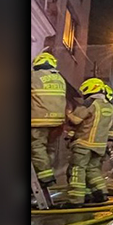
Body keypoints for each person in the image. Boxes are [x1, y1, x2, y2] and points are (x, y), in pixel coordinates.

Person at [63, 78, 113, 207]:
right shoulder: (110, 107)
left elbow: (76, 120)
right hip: (99, 146)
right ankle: (101, 193)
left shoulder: (90, 103)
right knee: (92, 170)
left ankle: (75, 200)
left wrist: (67, 114)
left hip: (84, 143)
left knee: (76, 170)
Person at [29, 52, 67, 194]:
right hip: (57, 122)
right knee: (49, 149)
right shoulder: (60, 78)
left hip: (38, 120)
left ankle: (45, 176)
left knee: (36, 146)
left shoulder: (34, 76)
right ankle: (46, 172)